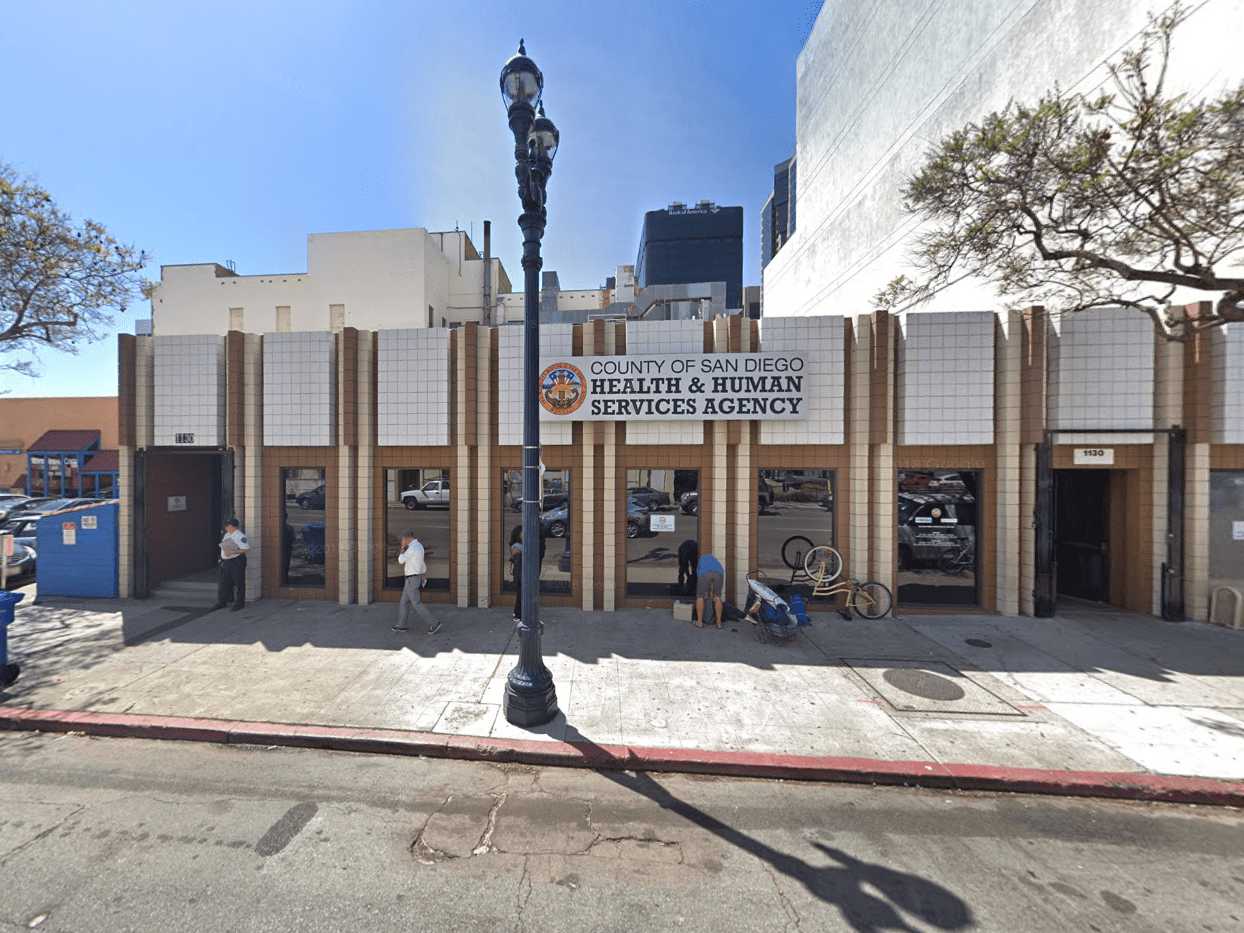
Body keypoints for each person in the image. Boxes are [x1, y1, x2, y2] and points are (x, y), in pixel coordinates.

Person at [392, 530, 441, 635]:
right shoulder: (419, 546)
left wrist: (402, 549)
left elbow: (401, 560)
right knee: (404, 602)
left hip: (411, 580)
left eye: (403, 539)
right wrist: (423, 574)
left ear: (407, 538)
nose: (402, 541)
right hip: (413, 578)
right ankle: (401, 625)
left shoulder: (411, 548)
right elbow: (422, 563)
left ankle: (434, 623)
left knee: (416, 603)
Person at [213, 517, 249, 612]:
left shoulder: (240, 536)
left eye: (228, 525)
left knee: (238, 582)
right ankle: (222, 601)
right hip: (226, 561)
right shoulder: (227, 535)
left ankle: (240, 603)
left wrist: (233, 552)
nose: (226, 527)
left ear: (233, 526)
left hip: (236, 561)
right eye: (226, 525)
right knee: (223, 582)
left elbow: (245, 549)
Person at [694, 551, 725, 629]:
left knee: (700, 597)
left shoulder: (701, 559)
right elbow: (712, 579)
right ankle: (719, 623)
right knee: (718, 597)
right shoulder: (715, 561)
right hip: (719, 573)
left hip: (704, 573)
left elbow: (699, 575)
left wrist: (705, 592)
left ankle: (699, 622)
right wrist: (711, 592)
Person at [509, 525, 524, 623]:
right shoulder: (517, 546)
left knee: (520, 595)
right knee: (520, 595)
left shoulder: (518, 546)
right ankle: (517, 614)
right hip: (519, 574)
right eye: (523, 532)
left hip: (519, 574)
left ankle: (517, 614)